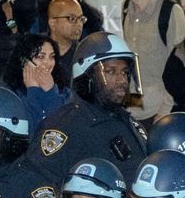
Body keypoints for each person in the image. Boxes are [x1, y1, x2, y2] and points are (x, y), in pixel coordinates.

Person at [24, 31, 148, 185]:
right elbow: (38, 187)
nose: (121, 80)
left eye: (125, 72)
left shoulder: (130, 123)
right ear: (86, 78)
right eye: (110, 71)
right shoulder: (64, 127)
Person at [110, 0, 185, 123]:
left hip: (161, 112)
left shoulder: (170, 11)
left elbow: (179, 67)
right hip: (134, 108)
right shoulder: (126, 8)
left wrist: (164, 112)